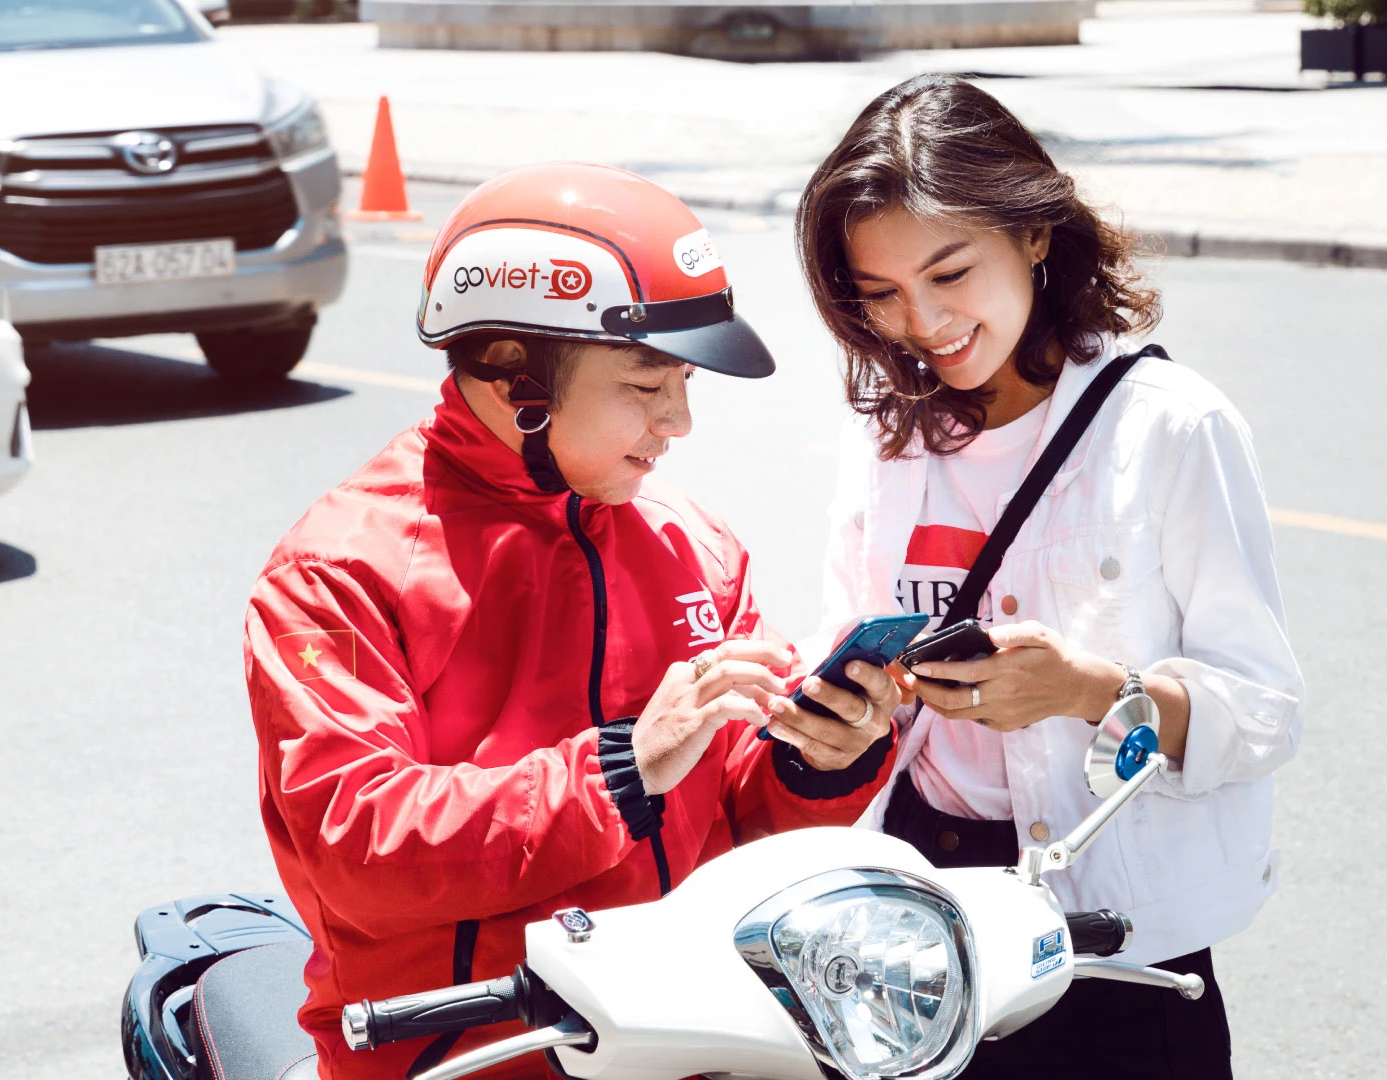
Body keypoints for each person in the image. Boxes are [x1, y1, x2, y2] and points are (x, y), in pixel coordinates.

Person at [244, 163, 901, 1080]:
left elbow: (740, 826)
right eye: (645, 384)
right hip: (461, 1052)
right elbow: (357, 846)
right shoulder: (338, 570)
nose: (679, 420)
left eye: (683, 382)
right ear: (517, 374)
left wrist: (816, 758)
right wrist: (621, 766)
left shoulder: (695, 545)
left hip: (695, 1038)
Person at [794, 76, 1305, 1077]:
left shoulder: (1168, 426)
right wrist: (847, 720)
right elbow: (851, 654)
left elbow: (1267, 710)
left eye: (950, 273)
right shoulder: (886, 440)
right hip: (912, 935)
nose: (925, 323)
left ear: (1034, 233)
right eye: (883, 294)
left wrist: (1086, 691)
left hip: (1110, 942)